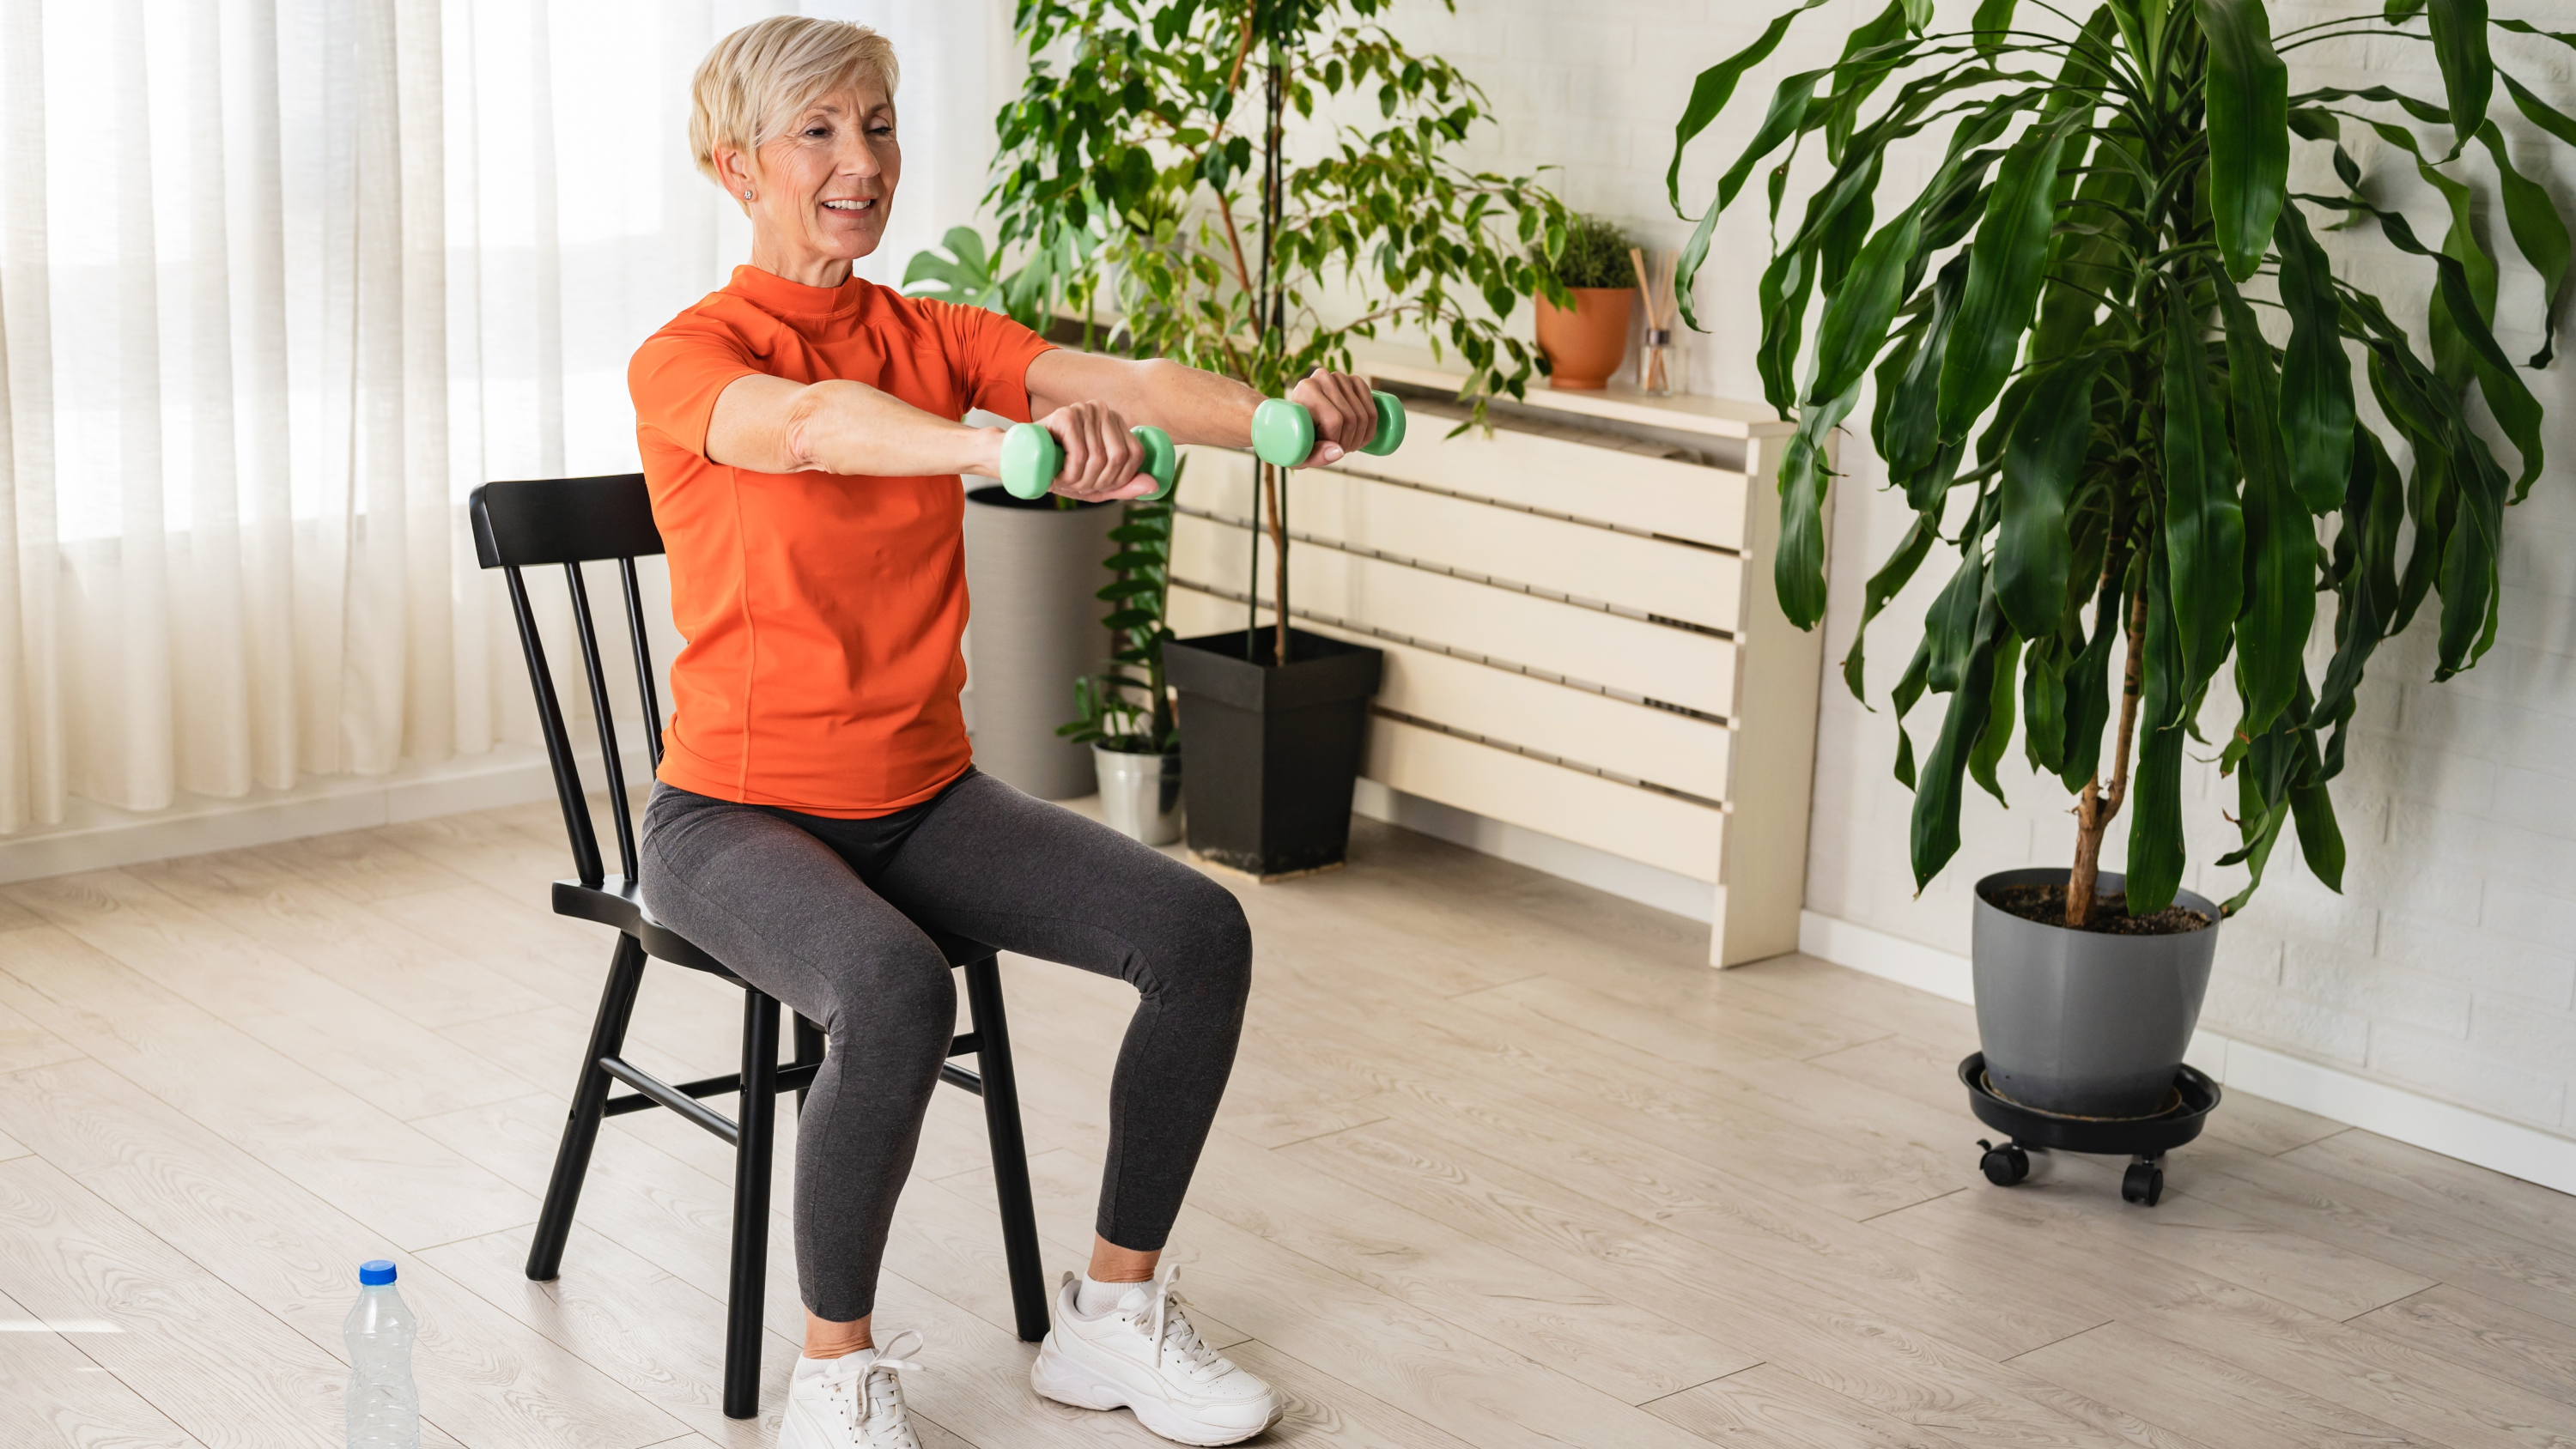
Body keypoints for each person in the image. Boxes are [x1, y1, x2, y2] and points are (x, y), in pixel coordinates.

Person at [631, 16, 1381, 1449]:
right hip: (729, 819)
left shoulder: (933, 331)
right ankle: (835, 1372)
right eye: (822, 133)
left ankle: (1110, 1319)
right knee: (896, 988)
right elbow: (808, 429)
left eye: (882, 125)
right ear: (737, 167)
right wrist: (991, 451)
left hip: (920, 800)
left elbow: (1126, 385)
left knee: (1197, 934)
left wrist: (1276, 420)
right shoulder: (688, 357)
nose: (865, 162)